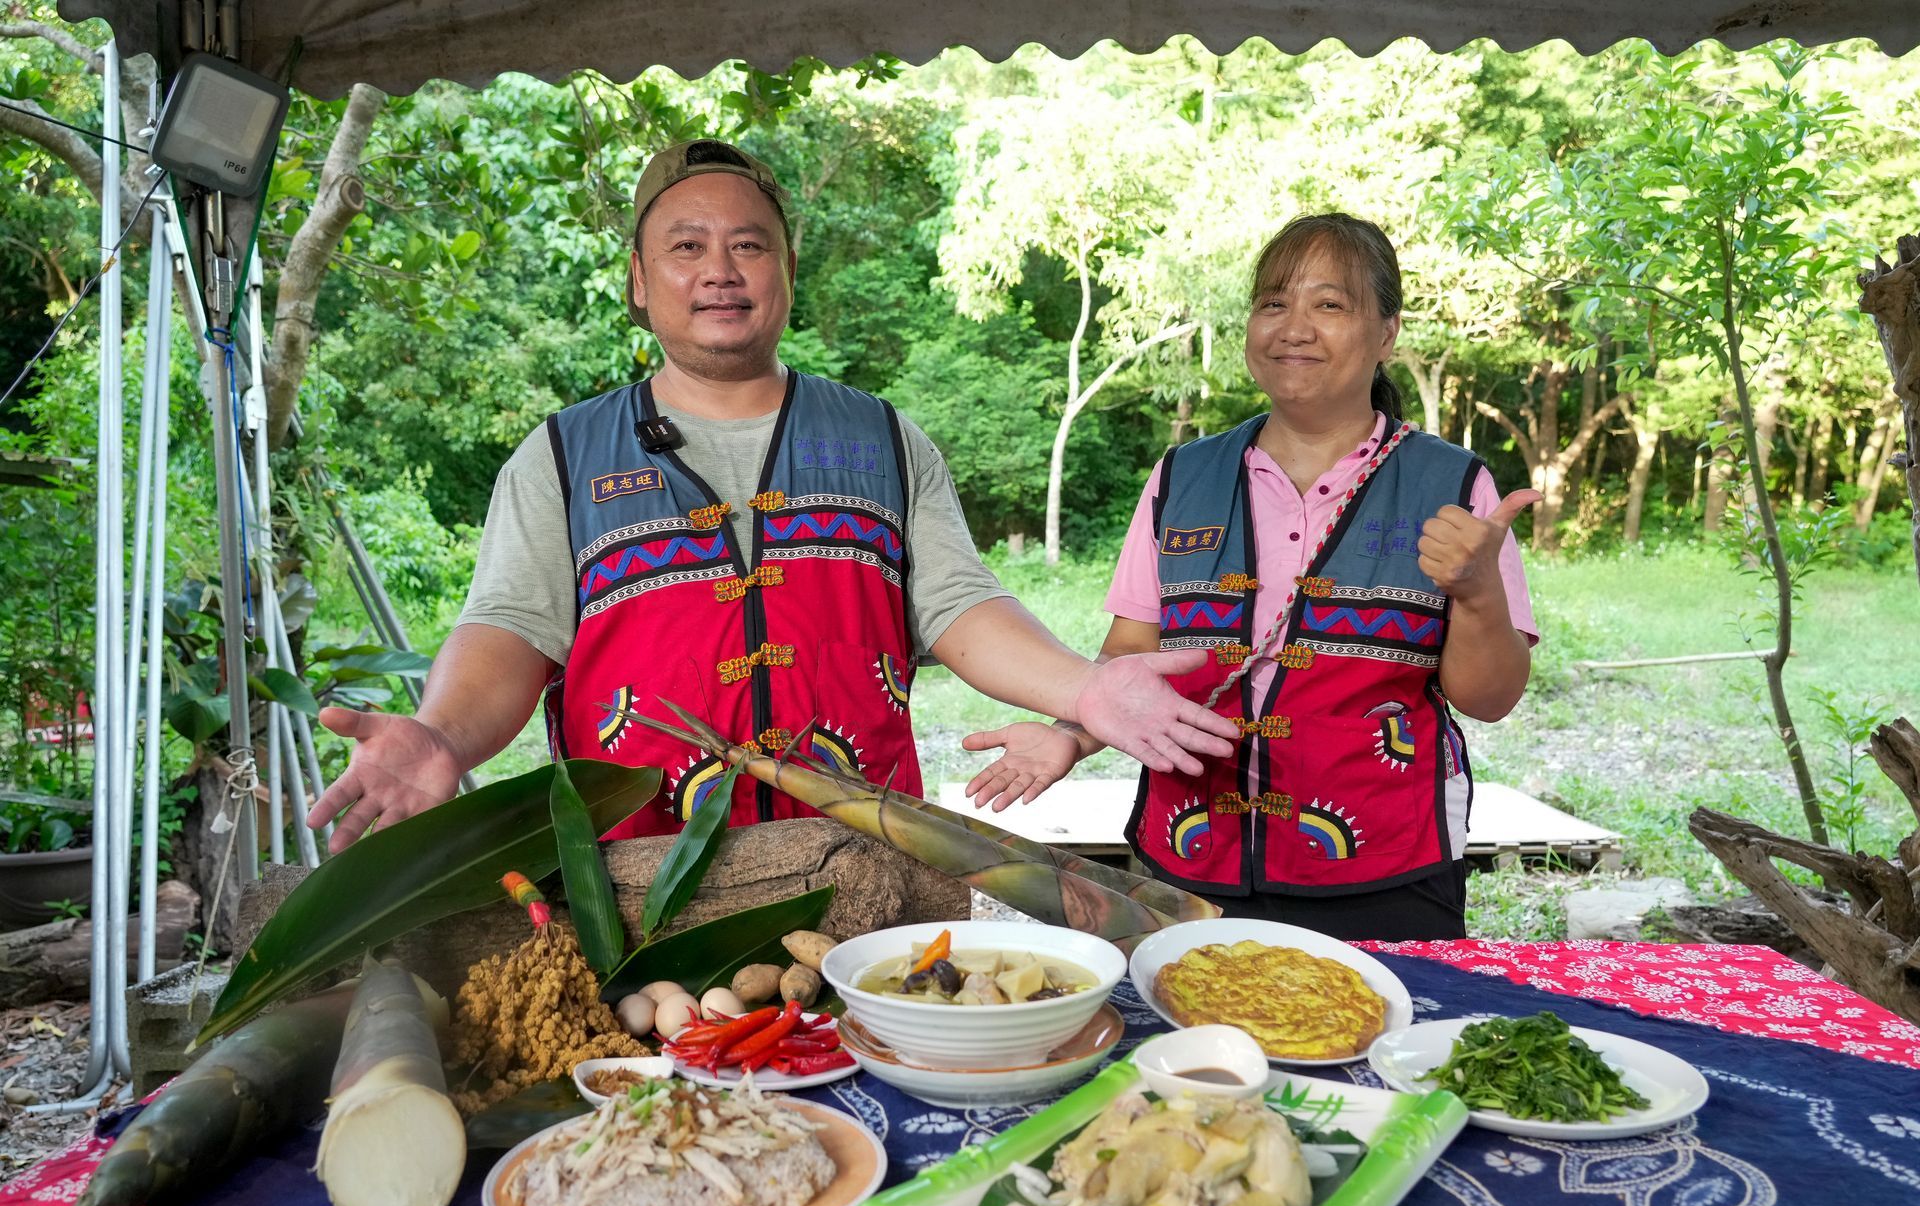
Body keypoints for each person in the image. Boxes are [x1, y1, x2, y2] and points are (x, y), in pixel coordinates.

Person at [307, 139, 1240, 849]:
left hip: (869, 860)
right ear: (639, 282)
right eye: (686, 246)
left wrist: (1086, 686)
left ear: (786, 274)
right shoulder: (561, 456)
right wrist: (440, 738)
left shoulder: (879, 438)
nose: (720, 269)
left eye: (749, 245)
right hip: (644, 879)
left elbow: (958, 602)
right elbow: (511, 628)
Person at [964, 213, 1538, 941]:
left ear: (1386, 333)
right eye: (1273, 303)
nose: (1293, 327)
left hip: (1386, 868)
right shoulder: (1183, 477)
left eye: (1328, 305)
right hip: (1190, 857)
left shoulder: (1454, 485)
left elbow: (1489, 699)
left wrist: (1480, 593)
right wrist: (1067, 737)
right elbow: (1130, 655)